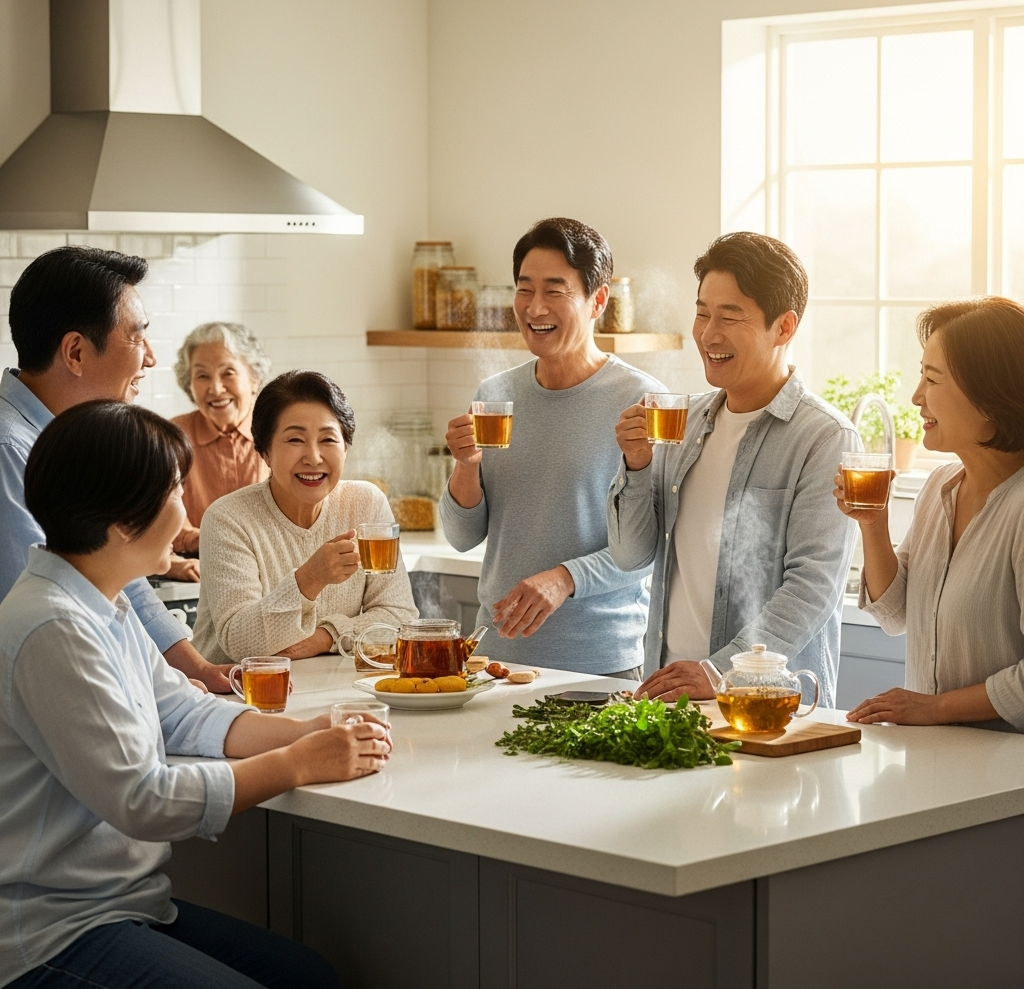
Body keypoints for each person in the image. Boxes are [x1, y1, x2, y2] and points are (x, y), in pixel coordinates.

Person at [0, 400, 390, 989]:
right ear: (121, 521)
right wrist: (295, 763)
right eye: (176, 494)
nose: (189, 513)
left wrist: (310, 731)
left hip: (125, 906)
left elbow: (181, 712)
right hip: (53, 932)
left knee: (310, 976)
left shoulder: (102, 601)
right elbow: (142, 799)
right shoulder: (54, 626)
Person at [608, 232, 859, 706]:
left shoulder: (825, 438)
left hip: (769, 707)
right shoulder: (682, 423)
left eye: (729, 316)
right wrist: (636, 466)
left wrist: (721, 672)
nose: (708, 334)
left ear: (784, 327)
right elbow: (630, 555)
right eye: (702, 312)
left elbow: (812, 588)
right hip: (668, 697)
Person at [438, 218, 663, 678]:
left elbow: (650, 548)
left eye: (554, 290)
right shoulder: (495, 393)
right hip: (496, 660)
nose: (535, 307)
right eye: (524, 289)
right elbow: (463, 537)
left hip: (598, 665)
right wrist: (466, 465)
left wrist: (564, 579)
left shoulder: (643, 402)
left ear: (597, 300)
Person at [0, 245, 229, 691]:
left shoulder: (73, 440)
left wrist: (195, 670)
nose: (150, 357)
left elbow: (116, 576)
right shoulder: (10, 450)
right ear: (76, 353)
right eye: (137, 336)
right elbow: (45, 616)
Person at [839, 298, 1024, 731]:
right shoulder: (940, 486)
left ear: (988, 396)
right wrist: (872, 524)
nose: (916, 396)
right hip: (935, 762)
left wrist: (933, 708)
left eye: (932, 379)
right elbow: (896, 615)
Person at [193, 370, 417, 664]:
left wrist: (325, 637)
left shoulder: (366, 503)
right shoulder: (229, 519)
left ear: (345, 448)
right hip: (236, 697)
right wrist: (310, 579)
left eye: (328, 440)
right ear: (265, 452)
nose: (313, 457)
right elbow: (240, 642)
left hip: (330, 692)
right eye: (295, 440)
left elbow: (399, 618)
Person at [171, 322, 272, 561]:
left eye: (228, 373)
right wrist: (208, 541)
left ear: (254, 379)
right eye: (202, 376)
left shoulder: (278, 431)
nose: (216, 389)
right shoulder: (173, 437)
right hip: (197, 570)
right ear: (190, 385)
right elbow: (160, 520)